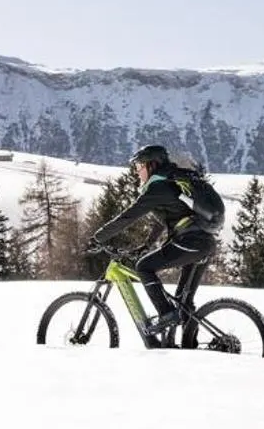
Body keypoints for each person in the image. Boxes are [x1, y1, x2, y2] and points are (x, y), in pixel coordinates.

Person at [89, 144, 226, 344]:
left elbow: (128, 217)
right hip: (203, 242)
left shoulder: (158, 187)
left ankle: (166, 314)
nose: (136, 171)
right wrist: (147, 245)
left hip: (190, 242)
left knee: (144, 267)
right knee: (183, 301)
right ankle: (190, 346)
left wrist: (98, 237)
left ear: (152, 165)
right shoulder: (169, 183)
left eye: (139, 166)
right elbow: (164, 219)